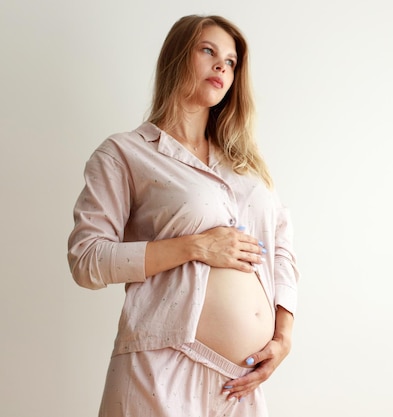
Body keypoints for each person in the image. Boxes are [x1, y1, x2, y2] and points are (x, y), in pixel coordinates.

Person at [67, 14, 299, 417]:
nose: (221, 67)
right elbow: (86, 261)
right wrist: (195, 247)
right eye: (208, 51)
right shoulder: (125, 154)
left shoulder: (246, 164)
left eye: (230, 61)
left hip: (241, 384)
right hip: (162, 367)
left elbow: (281, 247)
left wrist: (283, 336)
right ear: (176, 58)